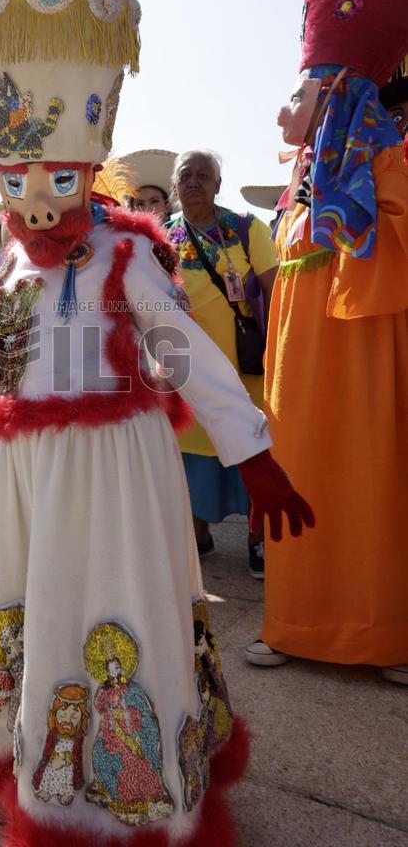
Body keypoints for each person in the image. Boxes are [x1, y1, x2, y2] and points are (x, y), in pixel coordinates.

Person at [0, 0, 313, 845]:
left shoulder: (128, 253)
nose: (39, 202)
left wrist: (251, 448)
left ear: (89, 168)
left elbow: (181, 352)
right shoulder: (11, 265)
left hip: (117, 466)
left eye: (57, 177)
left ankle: (129, 796)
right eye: (18, 181)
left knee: (113, 604)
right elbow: (10, 343)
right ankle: (19, 771)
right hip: (28, 470)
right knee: (23, 601)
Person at [244, 0, 408, 685]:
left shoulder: (391, 166)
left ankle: (386, 631)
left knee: (374, 478)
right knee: (300, 475)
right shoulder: (298, 192)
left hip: (368, 352)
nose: (286, 112)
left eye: (299, 92)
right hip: (297, 371)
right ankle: (295, 620)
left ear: (338, 92)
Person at [168, 150, 278, 577]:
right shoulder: (161, 239)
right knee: (189, 459)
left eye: (204, 175)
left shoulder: (246, 229)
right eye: (185, 176)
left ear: (218, 185)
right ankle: (197, 539)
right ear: (175, 186)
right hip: (187, 374)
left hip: (245, 371)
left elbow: (277, 291)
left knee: (251, 448)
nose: (194, 182)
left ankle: (260, 542)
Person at [120, 149, 177, 224]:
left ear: (167, 207)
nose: (148, 209)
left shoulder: (185, 234)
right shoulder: (120, 236)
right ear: (132, 211)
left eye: (154, 201)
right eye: (140, 204)